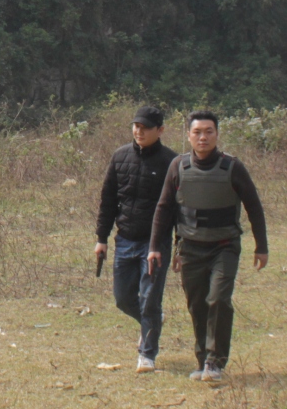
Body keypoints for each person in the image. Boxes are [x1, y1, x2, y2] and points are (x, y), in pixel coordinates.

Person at [147, 111, 269, 383]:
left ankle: (215, 361)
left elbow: (254, 206)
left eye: (209, 131)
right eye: (197, 132)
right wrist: (155, 246)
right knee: (197, 305)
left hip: (224, 247)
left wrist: (262, 246)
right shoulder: (178, 166)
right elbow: (164, 208)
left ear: (217, 134)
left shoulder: (232, 167)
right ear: (189, 135)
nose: (203, 137)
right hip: (190, 248)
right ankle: (203, 359)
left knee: (219, 299)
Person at [94, 106, 179, 373]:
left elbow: (180, 209)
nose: (139, 132)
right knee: (122, 298)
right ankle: (151, 320)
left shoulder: (172, 162)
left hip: (156, 243)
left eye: (145, 128)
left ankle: (147, 354)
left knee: (150, 298)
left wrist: (179, 246)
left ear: (160, 131)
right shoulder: (120, 157)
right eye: (136, 126)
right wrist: (102, 238)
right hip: (125, 240)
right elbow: (108, 200)